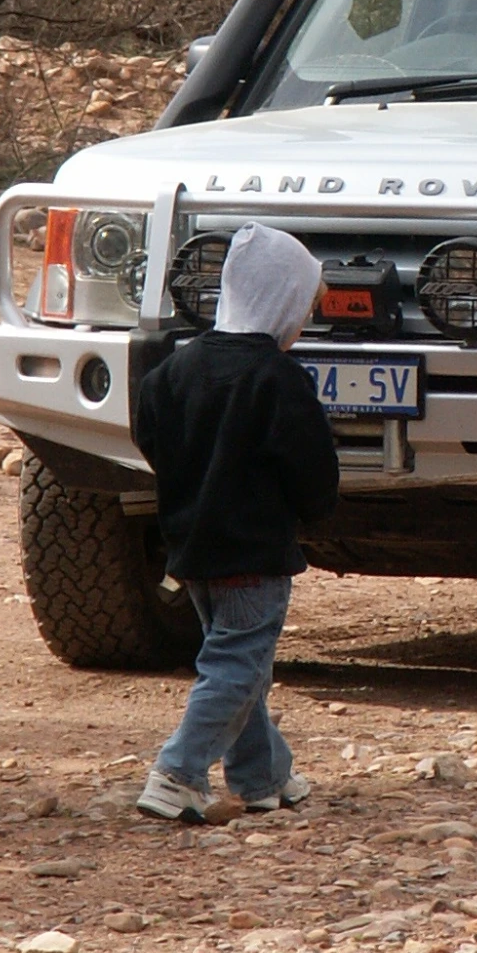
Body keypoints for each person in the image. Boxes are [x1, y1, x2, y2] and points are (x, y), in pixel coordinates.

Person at [132, 222, 339, 822]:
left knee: (241, 663)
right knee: (237, 664)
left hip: (192, 550)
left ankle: (262, 776)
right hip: (255, 555)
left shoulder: (169, 374)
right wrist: (316, 509)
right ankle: (178, 773)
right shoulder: (278, 380)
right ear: (282, 302)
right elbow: (312, 470)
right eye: (303, 307)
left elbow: (153, 441)